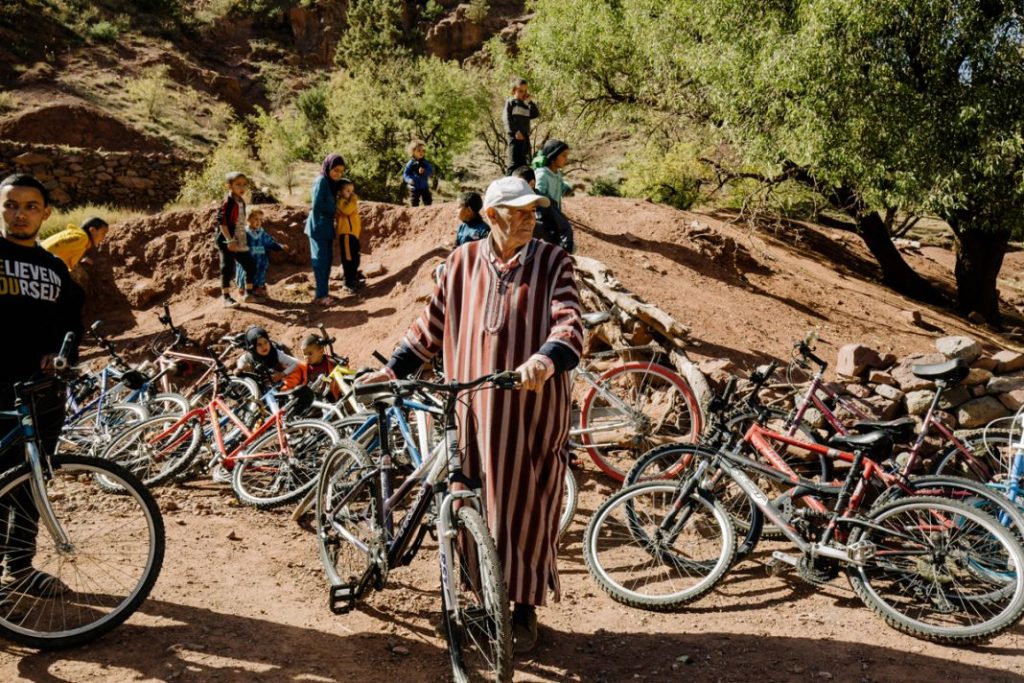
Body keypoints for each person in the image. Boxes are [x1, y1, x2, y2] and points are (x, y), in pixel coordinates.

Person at [360, 176, 583, 654]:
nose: (530, 218)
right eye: (519, 211)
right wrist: (395, 370)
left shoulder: (552, 261)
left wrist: (543, 361)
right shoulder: (460, 263)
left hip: (532, 413)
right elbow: (430, 326)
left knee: (527, 508)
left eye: (533, 210)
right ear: (490, 216)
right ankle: (482, 602)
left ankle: (522, 610)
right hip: (471, 412)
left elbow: (570, 324)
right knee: (467, 500)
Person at [0, 173, 84, 597]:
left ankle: (20, 567)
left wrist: (63, 356)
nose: (20, 214)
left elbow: (71, 325)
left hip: (44, 391)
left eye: (31, 206)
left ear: (46, 213)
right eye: (11, 204)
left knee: (33, 480)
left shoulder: (55, 267)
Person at [306, 154, 346, 307]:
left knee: (327, 260)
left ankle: (324, 292)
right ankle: (320, 296)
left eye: (341, 171)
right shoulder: (321, 181)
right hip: (318, 227)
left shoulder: (329, 182)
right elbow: (317, 205)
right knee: (321, 261)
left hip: (326, 227)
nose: (338, 174)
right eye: (335, 170)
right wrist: (335, 209)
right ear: (328, 167)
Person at [217, 171, 259, 307]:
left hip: (240, 239)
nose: (242, 188)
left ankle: (248, 294)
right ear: (229, 186)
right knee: (227, 268)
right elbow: (222, 223)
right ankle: (226, 298)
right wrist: (229, 240)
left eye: (244, 185)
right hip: (227, 240)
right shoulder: (227, 202)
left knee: (250, 265)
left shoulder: (240, 200)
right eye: (238, 184)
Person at [532, 139, 575, 253]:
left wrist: (573, 187)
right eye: (563, 155)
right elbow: (538, 199)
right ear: (553, 156)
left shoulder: (557, 174)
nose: (566, 159)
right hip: (545, 220)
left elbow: (562, 190)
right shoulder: (541, 175)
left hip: (555, 217)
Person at [234, 209, 289, 299]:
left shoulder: (263, 234)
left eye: (260, 220)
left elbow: (271, 243)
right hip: (247, 259)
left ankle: (258, 289)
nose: (258, 222)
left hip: (260, 261)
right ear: (248, 220)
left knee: (259, 273)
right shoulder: (244, 233)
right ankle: (244, 290)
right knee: (246, 273)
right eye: (256, 219)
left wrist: (281, 246)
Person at [235, 326, 302, 390]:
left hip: (278, 373)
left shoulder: (275, 353)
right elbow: (242, 359)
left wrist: (282, 374)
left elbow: (297, 363)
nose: (264, 347)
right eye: (259, 345)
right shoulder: (250, 356)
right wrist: (239, 368)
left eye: (265, 342)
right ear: (252, 347)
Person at [41, 216, 109, 271]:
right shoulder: (81, 238)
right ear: (92, 230)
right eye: (103, 233)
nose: (104, 237)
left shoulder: (79, 237)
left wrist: (78, 261)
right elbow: (50, 249)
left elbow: (62, 249)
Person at [503, 78, 540, 174]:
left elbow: (535, 114)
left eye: (525, 91)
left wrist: (530, 102)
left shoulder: (526, 106)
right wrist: (515, 132)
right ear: (514, 90)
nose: (523, 93)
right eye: (520, 91)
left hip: (525, 137)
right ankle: (507, 185)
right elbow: (507, 119)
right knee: (513, 163)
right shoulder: (511, 102)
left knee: (524, 165)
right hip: (514, 137)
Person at [335, 178, 364, 293]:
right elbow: (347, 211)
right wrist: (353, 199)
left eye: (352, 191)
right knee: (348, 259)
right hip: (346, 234)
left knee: (356, 258)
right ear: (340, 192)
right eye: (347, 191)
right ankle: (347, 282)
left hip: (353, 235)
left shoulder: (350, 201)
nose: (351, 193)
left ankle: (353, 277)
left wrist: (352, 199)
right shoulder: (340, 202)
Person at [402, 140, 434, 207]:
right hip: (414, 187)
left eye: (423, 151)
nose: (421, 152)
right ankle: (414, 212)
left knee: (428, 200)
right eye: (419, 150)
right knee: (414, 201)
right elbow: (405, 174)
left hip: (424, 186)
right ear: (413, 152)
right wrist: (409, 180)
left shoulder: (425, 163)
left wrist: (425, 172)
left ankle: (429, 211)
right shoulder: (410, 163)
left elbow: (430, 171)